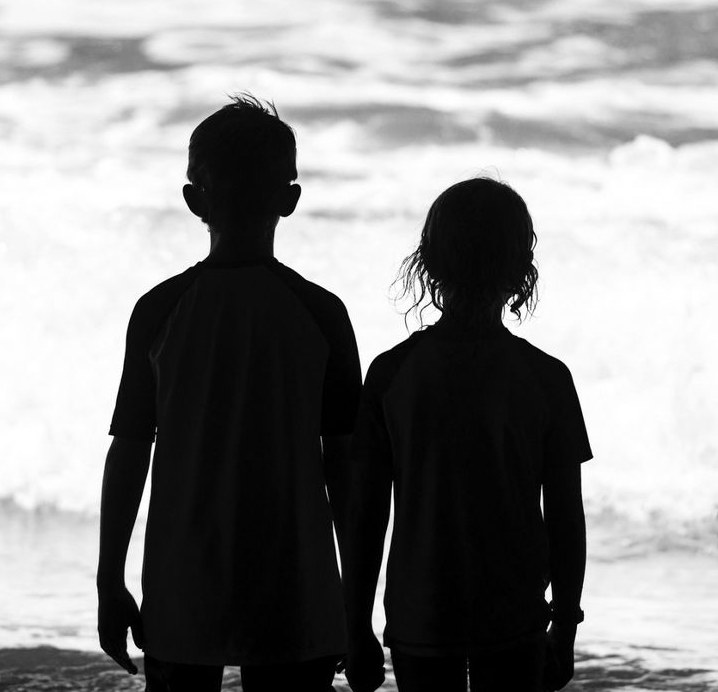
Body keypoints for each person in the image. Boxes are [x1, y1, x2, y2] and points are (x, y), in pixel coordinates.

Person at [96, 94, 361, 692]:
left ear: (194, 200)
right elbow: (346, 467)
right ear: (289, 200)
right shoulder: (321, 315)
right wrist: (357, 593)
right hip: (295, 585)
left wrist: (109, 580)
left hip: (181, 582)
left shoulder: (160, 310)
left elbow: (130, 451)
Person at [338, 177, 592, 692]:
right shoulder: (546, 379)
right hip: (515, 611)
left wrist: (355, 625)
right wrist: (564, 624)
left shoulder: (393, 375)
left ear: (428, 265)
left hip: (420, 611)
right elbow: (566, 517)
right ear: (522, 270)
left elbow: (365, 516)